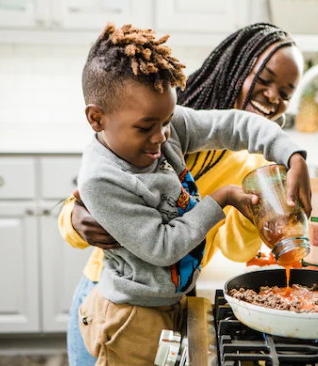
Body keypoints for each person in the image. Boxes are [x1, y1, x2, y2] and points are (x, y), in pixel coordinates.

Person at [59, 23, 304, 366]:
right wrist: (73, 218)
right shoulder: (147, 109)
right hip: (122, 309)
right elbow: (102, 206)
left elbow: (237, 247)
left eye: (286, 92)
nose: (273, 97)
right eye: (264, 81)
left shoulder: (168, 122)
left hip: (174, 298)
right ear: (232, 67)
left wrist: (289, 156)